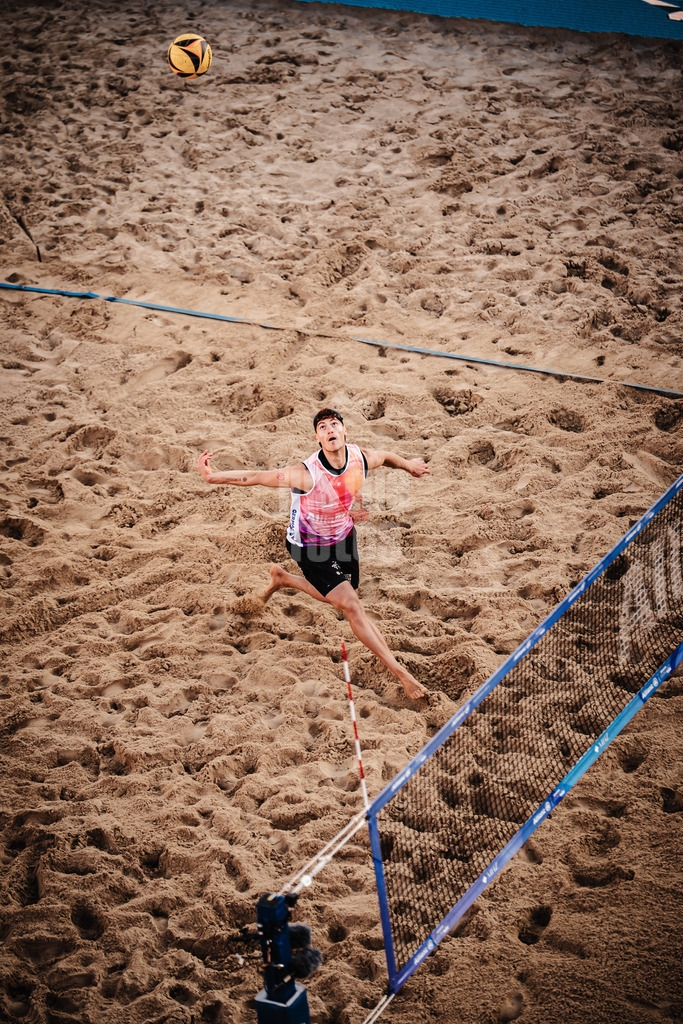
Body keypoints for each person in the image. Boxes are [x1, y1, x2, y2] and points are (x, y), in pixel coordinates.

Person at [197, 408, 429, 699]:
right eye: (323, 427)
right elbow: (257, 476)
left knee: (347, 592)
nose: (330, 429)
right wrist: (213, 477)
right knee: (351, 605)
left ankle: (283, 579)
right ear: (318, 437)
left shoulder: (360, 458)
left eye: (334, 424)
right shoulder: (305, 474)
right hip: (309, 547)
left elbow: (385, 456)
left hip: (343, 535)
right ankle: (402, 675)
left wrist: (408, 465)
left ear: (344, 431)